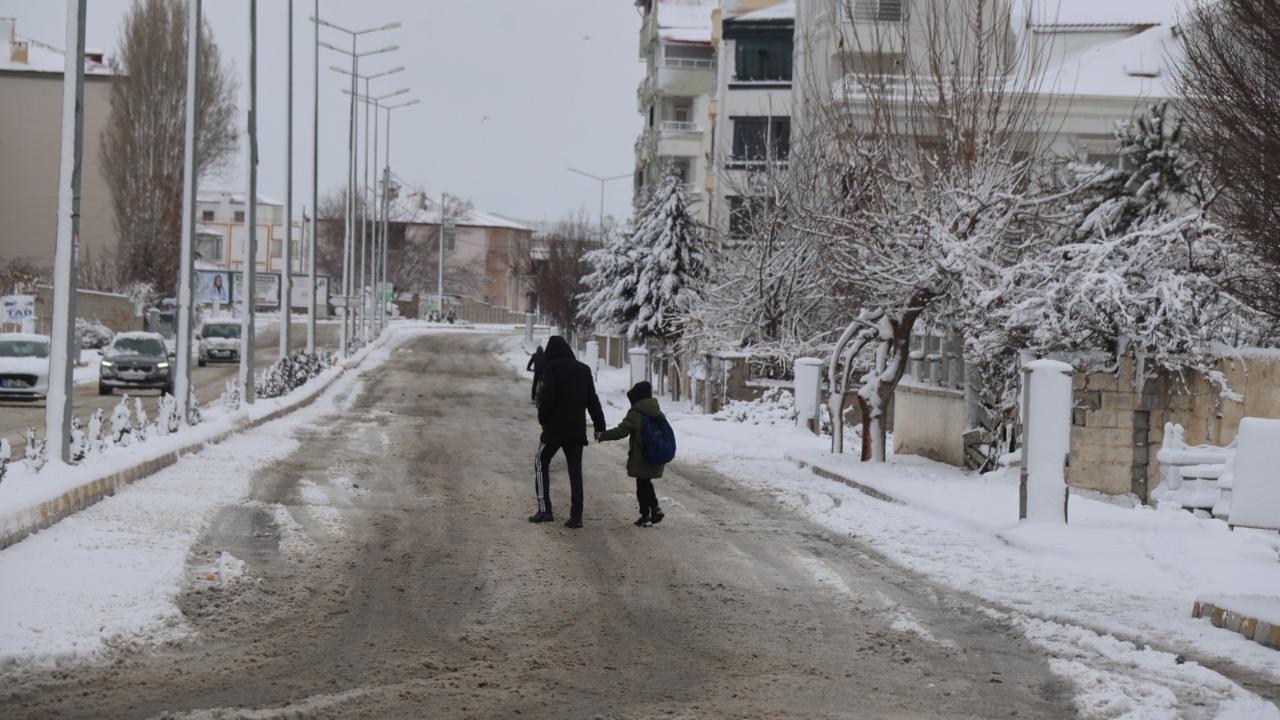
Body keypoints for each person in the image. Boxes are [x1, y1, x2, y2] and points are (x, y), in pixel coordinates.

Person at [530, 336, 606, 529]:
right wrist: (600, 427)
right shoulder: (583, 370)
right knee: (575, 472)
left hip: (553, 431)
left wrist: (543, 420)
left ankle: (545, 509)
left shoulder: (551, 369)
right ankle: (576, 516)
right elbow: (593, 401)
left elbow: (546, 399)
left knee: (541, 462)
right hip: (576, 431)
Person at [596, 381, 668, 527]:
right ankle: (655, 509)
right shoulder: (658, 413)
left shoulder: (636, 414)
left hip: (641, 456)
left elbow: (620, 431)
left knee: (642, 485)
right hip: (656, 454)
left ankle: (645, 516)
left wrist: (602, 435)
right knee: (646, 482)